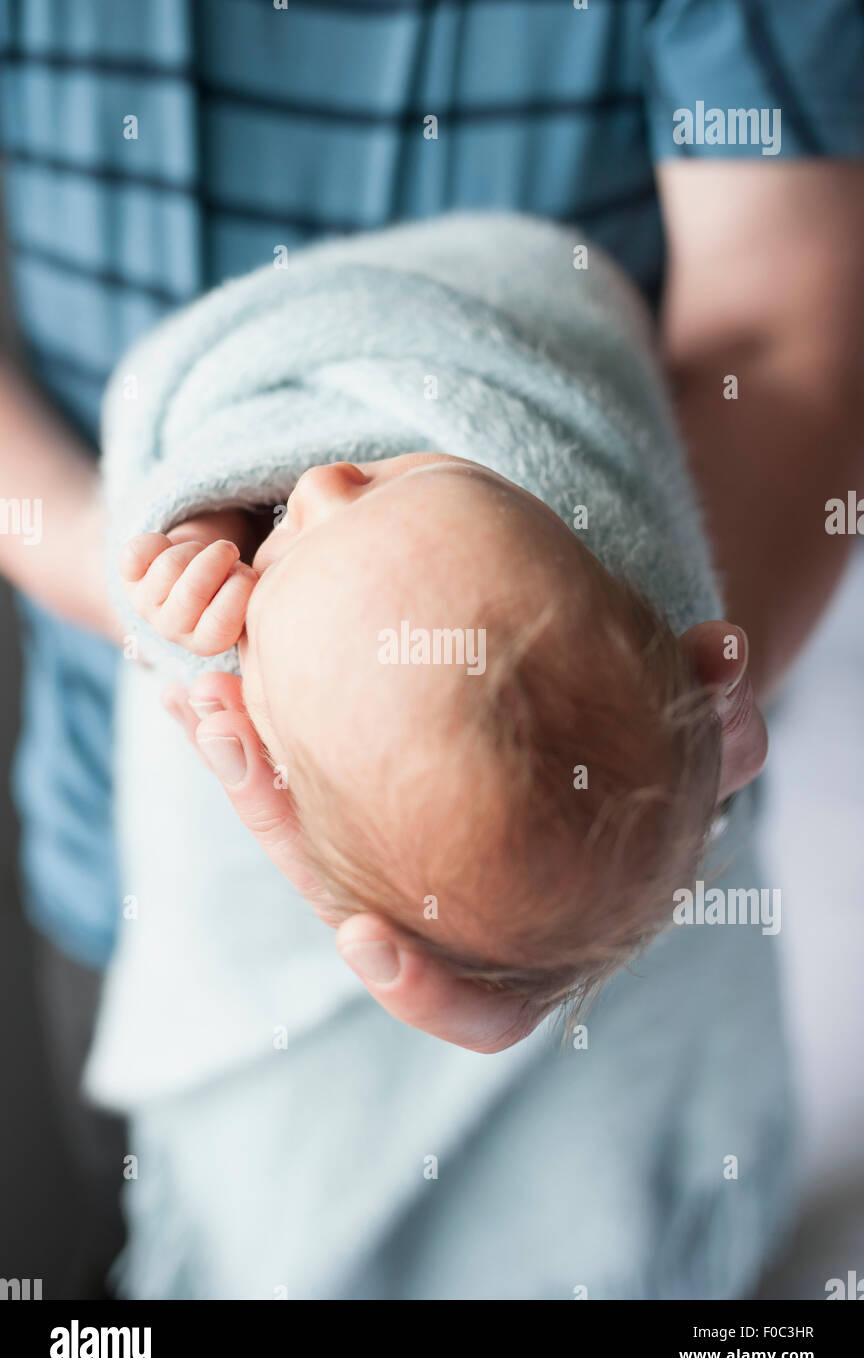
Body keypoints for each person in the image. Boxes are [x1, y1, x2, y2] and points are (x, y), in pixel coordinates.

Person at [1, 0, 862, 1291]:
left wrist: (656, 615)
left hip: (611, 848)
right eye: (370, 481)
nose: (335, 473)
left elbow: (783, 338)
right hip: (113, 850)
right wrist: (120, 570)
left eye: (297, 522)